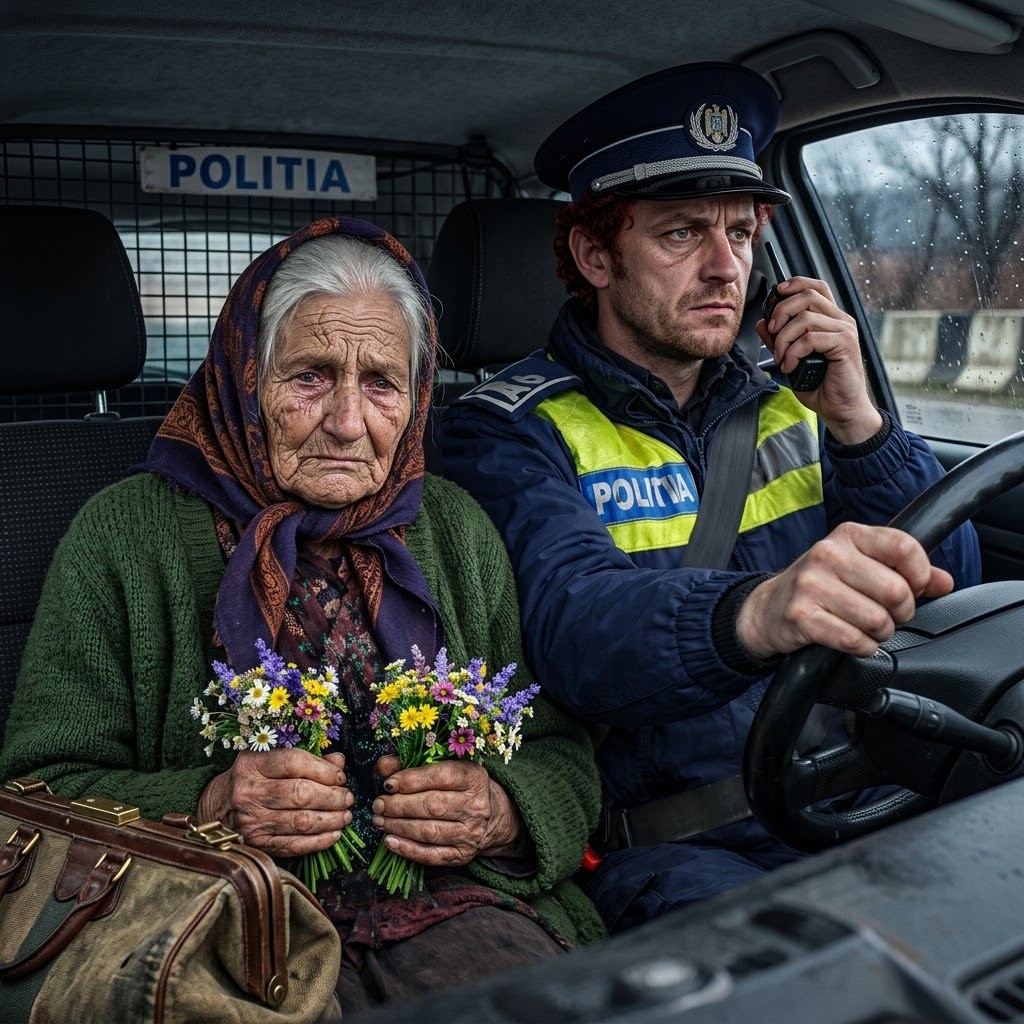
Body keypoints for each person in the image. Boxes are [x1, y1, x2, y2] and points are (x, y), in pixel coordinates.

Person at [0, 217, 606, 1011]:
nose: (349, 422)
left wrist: (499, 813)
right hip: (217, 926)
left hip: (467, 910)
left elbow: (563, 754)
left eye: (382, 383)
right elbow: (34, 794)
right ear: (248, 379)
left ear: (417, 399)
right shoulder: (126, 534)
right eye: (312, 377)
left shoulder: (456, 529)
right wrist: (212, 806)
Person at [438, 63, 982, 934]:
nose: (725, 267)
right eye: (683, 233)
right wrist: (757, 611)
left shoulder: (795, 400)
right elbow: (574, 627)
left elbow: (951, 589)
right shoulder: (504, 432)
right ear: (594, 255)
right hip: (678, 848)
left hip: (855, 792)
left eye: (741, 231)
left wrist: (860, 424)